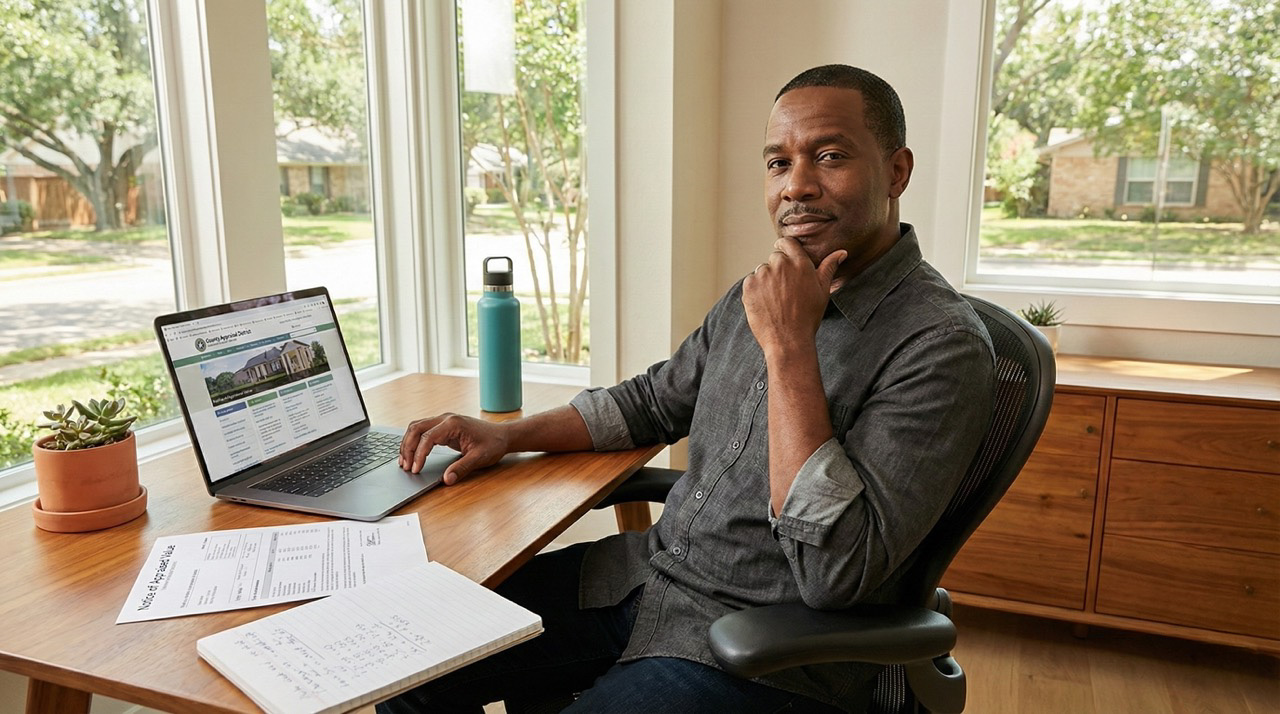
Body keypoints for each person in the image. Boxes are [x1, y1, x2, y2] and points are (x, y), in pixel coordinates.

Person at [379, 64, 995, 714]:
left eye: (830, 156)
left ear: (897, 171)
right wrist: (506, 435)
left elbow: (835, 574)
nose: (796, 186)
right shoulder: (759, 292)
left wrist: (790, 348)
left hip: (765, 652)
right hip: (649, 578)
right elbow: (651, 402)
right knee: (405, 662)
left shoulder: (940, 345)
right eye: (778, 163)